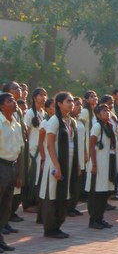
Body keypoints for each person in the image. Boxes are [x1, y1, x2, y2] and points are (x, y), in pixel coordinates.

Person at [40, 92, 78, 239]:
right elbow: (49, 145)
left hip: (68, 163)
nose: (72, 103)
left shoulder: (71, 121)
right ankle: (50, 229)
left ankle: (58, 225)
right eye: (68, 101)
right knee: (52, 196)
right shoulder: (54, 120)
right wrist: (57, 166)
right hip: (55, 164)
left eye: (72, 101)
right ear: (59, 104)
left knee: (63, 196)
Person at [87, 102, 116, 229]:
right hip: (98, 164)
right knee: (97, 194)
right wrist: (93, 164)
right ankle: (93, 220)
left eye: (108, 110)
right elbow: (92, 145)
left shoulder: (108, 126)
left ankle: (100, 218)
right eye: (104, 110)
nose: (107, 112)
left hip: (107, 163)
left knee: (104, 193)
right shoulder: (97, 126)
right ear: (98, 114)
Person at [0, 92, 23, 251]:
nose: (14, 103)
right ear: (1, 106)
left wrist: (19, 174)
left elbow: (19, 150)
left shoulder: (16, 124)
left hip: (12, 166)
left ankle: (0, 239)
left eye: (14, 100)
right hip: (1, 165)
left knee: (6, 206)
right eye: (10, 101)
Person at [23, 87, 48, 213]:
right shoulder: (30, 113)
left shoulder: (43, 113)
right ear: (34, 98)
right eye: (41, 95)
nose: (44, 97)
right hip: (32, 150)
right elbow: (25, 132)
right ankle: (28, 204)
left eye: (45, 95)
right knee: (31, 176)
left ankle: (35, 201)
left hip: (41, 149)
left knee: (38, 176)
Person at [66, 96, 86, 217]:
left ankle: (73, 205)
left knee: (78, 182)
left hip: (81, 153)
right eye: (76, 104)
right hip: (72, 155)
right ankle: (67, 207)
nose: (79, 107)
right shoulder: (68, 120)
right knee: (71, 181)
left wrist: (85, 153)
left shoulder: (80, 120)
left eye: (80, 105)